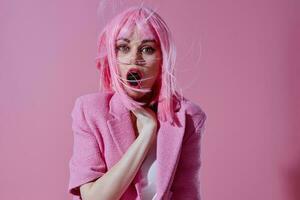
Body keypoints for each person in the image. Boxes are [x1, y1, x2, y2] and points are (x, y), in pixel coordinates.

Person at [68, 5, 207, 200]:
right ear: (113, 56)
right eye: (123, 48)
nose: (134, 59)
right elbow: (94, 198)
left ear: (162, 59)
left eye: (147, 49)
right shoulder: (89, 111)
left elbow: (187, 194)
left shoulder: (188, 117)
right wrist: (147, 134)